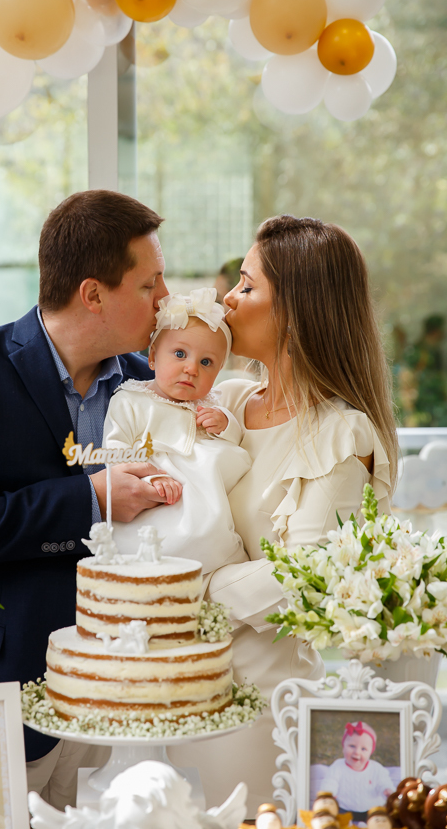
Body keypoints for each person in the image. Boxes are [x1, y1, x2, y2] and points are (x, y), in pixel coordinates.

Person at [0, 189, 171, 807]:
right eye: (149, 284)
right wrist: (91, 500)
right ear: (94, 294)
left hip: (114, 704)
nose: (164, 299)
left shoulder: (148, 387)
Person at [170, 215, 397, 815]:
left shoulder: (340, 434)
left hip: (262, 702)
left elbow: (305, 578)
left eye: (247, 286)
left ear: (294, 310)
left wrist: (187, 586)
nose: (228, 299)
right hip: (188, 681)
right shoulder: (233, 399)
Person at [104, 287, 252, 573]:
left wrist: (225, 424)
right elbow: (116, 451)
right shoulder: (131, 399)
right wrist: (153, 477)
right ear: (153, 358)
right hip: (158, 492)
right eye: (180, 354)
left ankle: (219, 560)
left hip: (205, 491)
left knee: (212, 527)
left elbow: (238, 441)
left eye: (206, 362)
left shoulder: (212, 403)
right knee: (167, 537)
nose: (192, 369)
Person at [324, 722, 395, 823]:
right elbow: (330, 781)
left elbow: (384, 782)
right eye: (352, 746)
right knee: (335, 820)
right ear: (343, 746)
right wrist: (328, 793)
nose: (357, 752)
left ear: (371, 751)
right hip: (344, 808)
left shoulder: (376, 769)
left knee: (381, 819)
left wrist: (387, 790)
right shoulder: (338, 767)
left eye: (363, 749)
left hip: (372, 809)